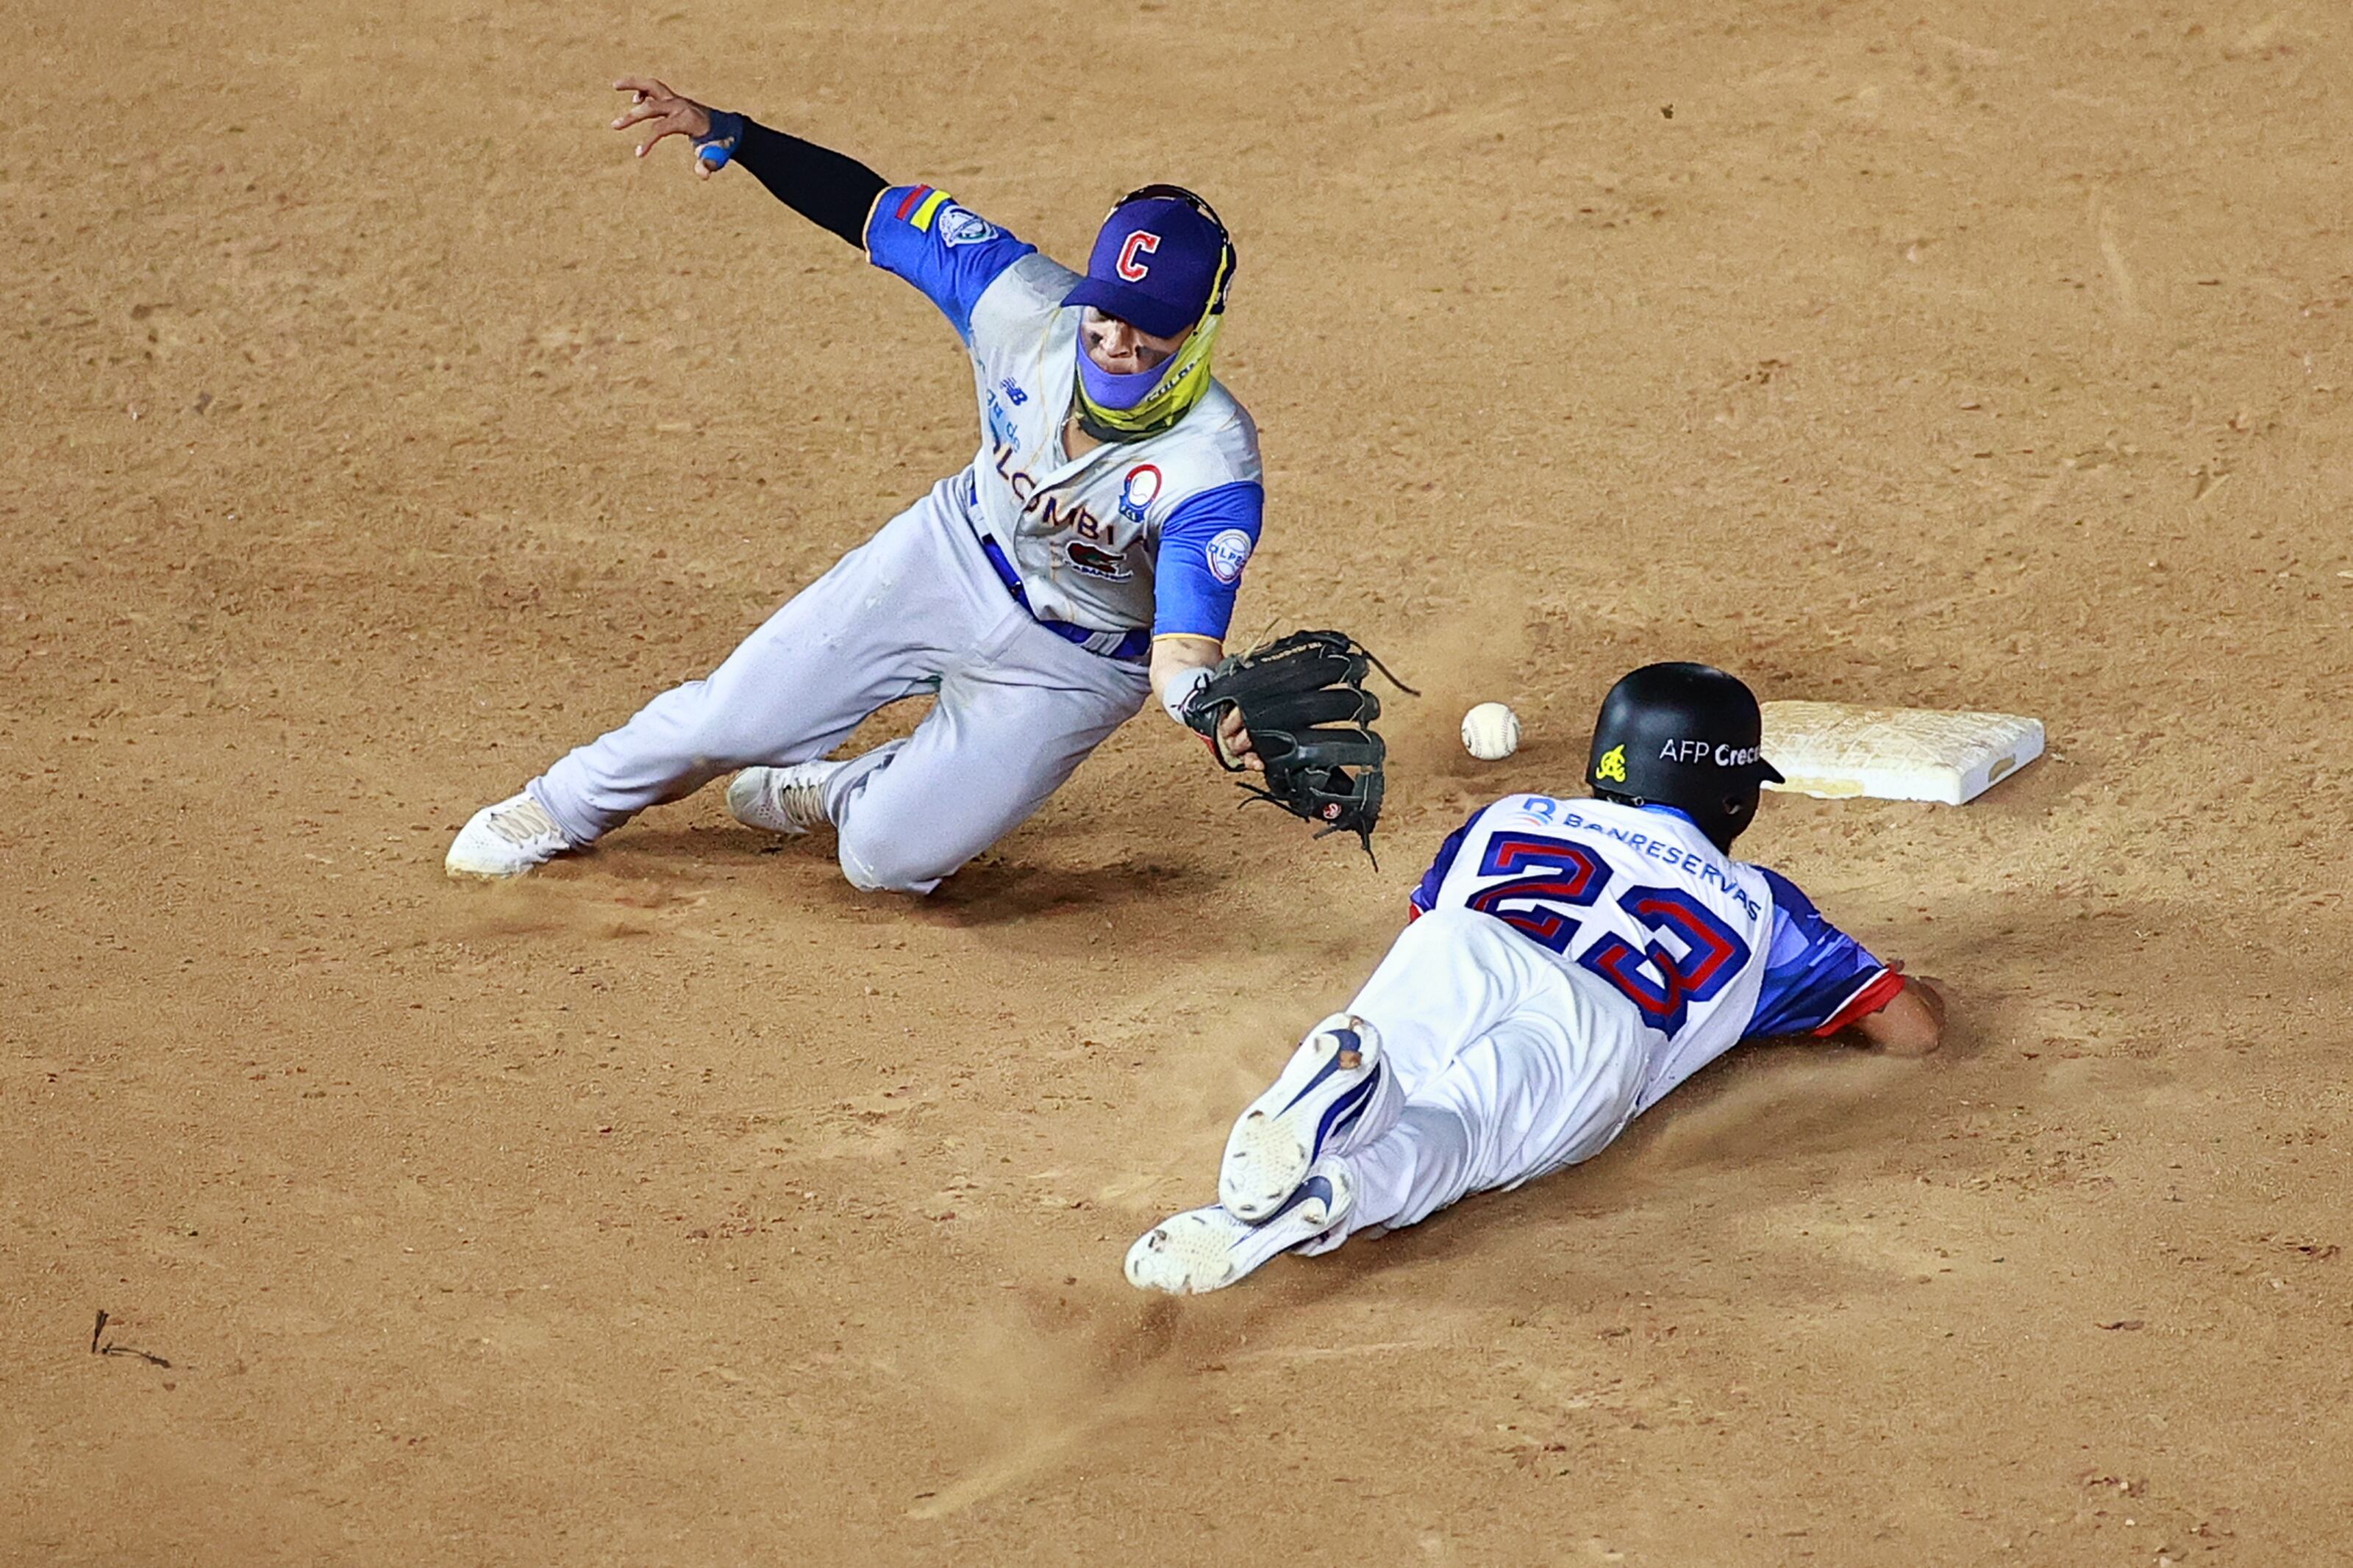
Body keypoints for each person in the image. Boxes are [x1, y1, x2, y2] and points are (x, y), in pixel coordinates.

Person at [447, 76, 1269, 893]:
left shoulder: (1213, 466)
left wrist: (1204, 707)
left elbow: (1184, 646)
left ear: (1199, 326)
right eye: (1105, 311)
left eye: (1147, 325)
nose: (1116, 340)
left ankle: (837, 789)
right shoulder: (1017, 301)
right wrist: (739, 133)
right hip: (948, 557)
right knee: (736, 718)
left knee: (884, 862)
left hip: (1074, 669)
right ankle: (556, 807)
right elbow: (868, 207)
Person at [1124, 662, 1946, 1294]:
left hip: (1466, 943)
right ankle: (1334, 1196)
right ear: (1732, 794)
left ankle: (1332, 1103)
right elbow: (1910, 1032)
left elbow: (1427, 925)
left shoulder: (1506, 815)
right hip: (1597, 1031)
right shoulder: (1760, 908)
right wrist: (1906, 991)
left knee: (1404, 1051)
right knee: (1461, 1135)